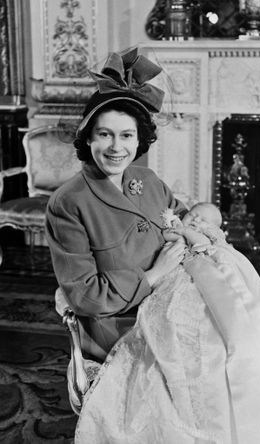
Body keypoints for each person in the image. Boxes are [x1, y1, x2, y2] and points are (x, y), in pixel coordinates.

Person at [74, 202, 260, 443]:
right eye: (193, 216)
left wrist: (189, 231)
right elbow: (167, 234)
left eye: (204, 220)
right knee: (178, 317)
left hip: (210, 275)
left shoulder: (209, 239)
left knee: (232, 321)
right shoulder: (177, 231)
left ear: (216, 227)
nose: (196, 221)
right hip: (181, 279)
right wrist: (175, 224)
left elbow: (204, 244)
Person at [45, 47, 187, 363]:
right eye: (105, 135)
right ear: (88, 138)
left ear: (139, 142)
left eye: (126, 136)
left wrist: (200, 223)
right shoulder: (67, 203)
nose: (115, 147)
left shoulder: (148, 179)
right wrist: (153, 275)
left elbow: (182, 218)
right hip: (119, 325)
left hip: (171, 306)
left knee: (234, 346)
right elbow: (85, 296)